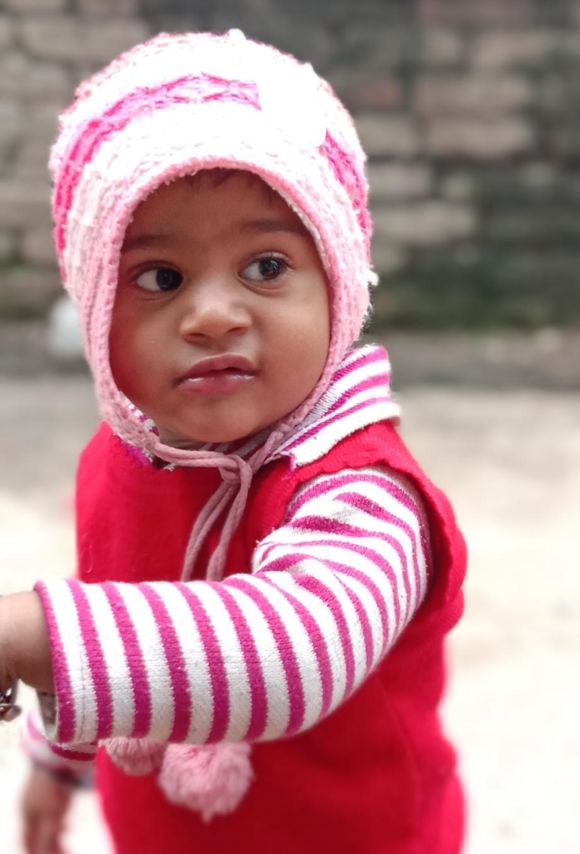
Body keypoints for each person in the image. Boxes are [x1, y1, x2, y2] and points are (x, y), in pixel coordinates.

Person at [0, 30, 466, 854]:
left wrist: (32, 635)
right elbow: (115, 597)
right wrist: (57, 757)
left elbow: (298, 651)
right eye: (160, 278)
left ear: (338, 280)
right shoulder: (124, 456)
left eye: (266, 266)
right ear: (97, 304)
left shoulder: (366, 492)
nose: (213, 315)